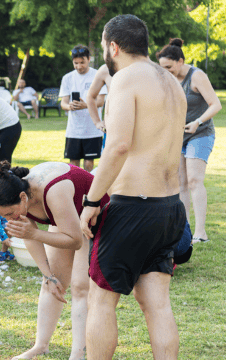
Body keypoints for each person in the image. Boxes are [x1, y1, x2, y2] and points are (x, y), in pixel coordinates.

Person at [79, 15, 187, 360]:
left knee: (100, 299)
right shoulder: (170, 80)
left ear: (113, 46)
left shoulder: (125, 78)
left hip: (133, 207)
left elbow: (118, 145)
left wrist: (92, 200)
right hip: (170, 207)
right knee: (156, 303)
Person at [0, 160, 110, 360]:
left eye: (10, 213)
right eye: (3, 216)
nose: (9, 219)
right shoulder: (18, 193)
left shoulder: (53, 191)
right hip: (67, 219)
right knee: (51, 283)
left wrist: (34, 234)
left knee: (80, 286)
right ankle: (40, 346)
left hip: (96, 218)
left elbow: (75, 240)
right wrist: (48, 275)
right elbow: (30, 236)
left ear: (23, 197)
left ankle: (77, 354)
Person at [156, 38, 221, 243]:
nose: (166, 71)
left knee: (194, 180)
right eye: (162, 68)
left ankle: (201, 233)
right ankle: (184, 231)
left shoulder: (197, 76)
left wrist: (197, 121)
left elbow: (215, 104)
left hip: (200, 133)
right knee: (181, 183)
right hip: (179, 136)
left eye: (169, 67)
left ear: (180, 61)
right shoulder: (168, 78)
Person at [59, 45, 107, 172]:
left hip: (92, 128)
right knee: (73, 163)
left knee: (89, 163)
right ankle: (76, 189)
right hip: (74, 129)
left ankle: (88, 190)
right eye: (76, 63)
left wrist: (85, 105)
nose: (79, 66)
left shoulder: (98, 75)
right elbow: (63, 103)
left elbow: (101, 101)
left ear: (89, 59)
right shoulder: (67, 78)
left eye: (82, 62)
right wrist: (70, 106)